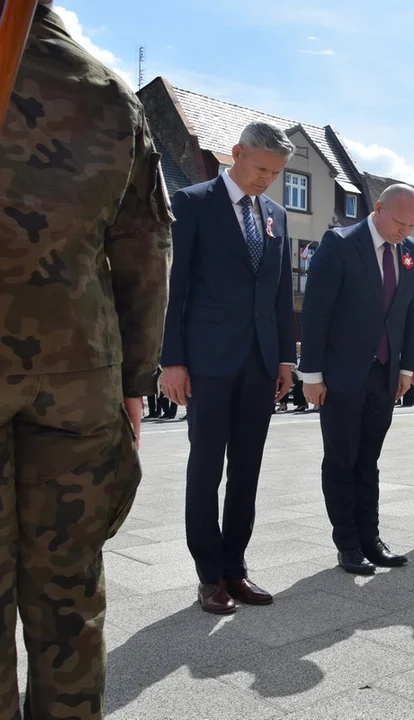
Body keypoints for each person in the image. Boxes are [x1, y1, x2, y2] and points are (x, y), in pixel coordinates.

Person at [0, 2, 172, 715]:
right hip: (76, 382)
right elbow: (145, 251)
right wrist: (135, 382)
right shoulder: (106, 91)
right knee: (69, 603)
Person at [160, 122, 296, 614]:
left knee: (248, 468)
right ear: (235, 153)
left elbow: (279, 291)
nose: (267, 180)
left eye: (276, 173)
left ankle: (235, 566)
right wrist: (171, 359)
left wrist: (285, 357)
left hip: (260, 362)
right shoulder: (193, 203)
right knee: (205, 467)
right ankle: (208, 573)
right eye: (261, 169)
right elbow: (175, 287)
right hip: (208, 361)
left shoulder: (276, 215)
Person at [299, 184, 414, 575]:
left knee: (369, 460)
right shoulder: (339, 245)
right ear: (378, 207)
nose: (405, 231)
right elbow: (316, 313)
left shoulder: (413, 253)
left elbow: (413, 314)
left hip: (385, 376)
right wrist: (312, 375)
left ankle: (371, 537)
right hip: (340, 375)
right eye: (399, 222)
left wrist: (406, 368)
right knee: (341, 459)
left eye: (412, 225)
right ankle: (348, 543)